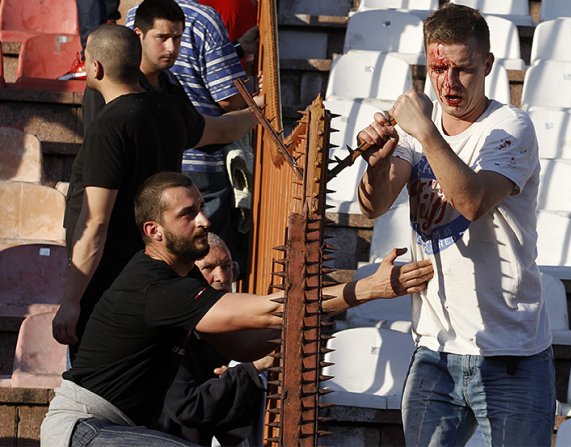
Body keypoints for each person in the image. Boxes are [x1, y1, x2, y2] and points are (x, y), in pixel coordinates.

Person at [41, 171, 434, 446]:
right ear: (153, 231)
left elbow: (242, 345)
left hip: (114, 429)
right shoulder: (154, 286)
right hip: (82, 429)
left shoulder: (182, 281)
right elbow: (267, 311)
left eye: (200, 206)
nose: (203, 219)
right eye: (187, 214)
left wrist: (302, 326)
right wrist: (364, 291)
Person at [356, 4, 555, 446]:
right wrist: (376, 162)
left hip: (510, 354)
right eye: (438, 68)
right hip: (435, 350)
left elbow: (473, 201)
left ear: (486, 64)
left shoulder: (509, 126)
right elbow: (374, 204)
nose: (448, 83)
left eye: (462, 69)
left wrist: (426, 132)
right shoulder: (414, 131)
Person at [52, 23, 260, 359]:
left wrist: (71, 300)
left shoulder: (108, 126)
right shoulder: (167, 108)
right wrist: (261, 111)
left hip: (109, 282)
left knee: (97, 376)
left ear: (95, 67)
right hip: (157, 268)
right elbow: (222, 130)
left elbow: (95, 223)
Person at [126, 0, 255, 276]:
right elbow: (229, 99)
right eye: (163, 38)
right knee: (206, 265)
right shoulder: (204, 17)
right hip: (197, 167)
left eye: (176, 38)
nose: (171, 47)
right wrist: (256, 104)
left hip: (162, 169)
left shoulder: (136, 16)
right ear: (141, 35)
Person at [159, 234, 268, 446]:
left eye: (227, 266)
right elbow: (187, 406)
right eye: (208, 268)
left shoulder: (240, 326)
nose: (221, 277)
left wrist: (234, 378)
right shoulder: (171, 330)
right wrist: (251, 369)